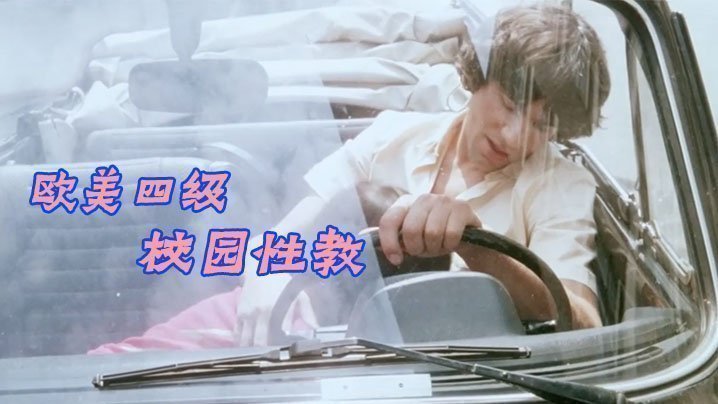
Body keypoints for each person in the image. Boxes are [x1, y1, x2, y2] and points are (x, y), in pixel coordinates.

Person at [90, 3, 610, 353]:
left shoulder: (560, 185)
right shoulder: (391, 134)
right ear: (479, 77)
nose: (517, 134)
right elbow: (296, 225)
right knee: (121, 363)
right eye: (511, 105)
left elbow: (583, 320)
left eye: (543, 125)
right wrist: (268, 277)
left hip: (453, 366)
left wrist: (478, 247)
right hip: (307, 330)